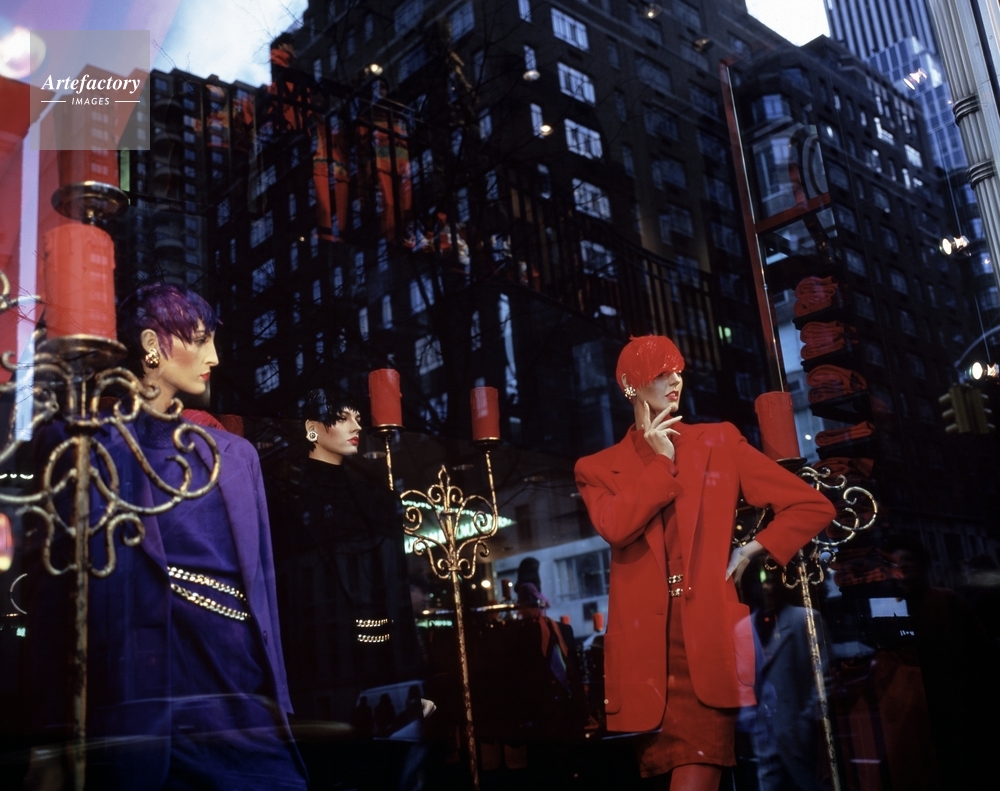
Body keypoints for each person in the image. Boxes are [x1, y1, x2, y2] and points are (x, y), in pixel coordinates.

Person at [24, 283, 306, 790]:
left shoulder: (235, 458)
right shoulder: (87, 446)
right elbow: (56, 600)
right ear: (152, 344)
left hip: (241, 703)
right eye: (200, 340)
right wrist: (48, 738)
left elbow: (263, 595)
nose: (214, 357)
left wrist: (280, 703)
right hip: (142, 708)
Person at [574, 335, 835, 790]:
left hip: (707, 645)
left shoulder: (718, 442)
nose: (674, 380)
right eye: (660, 373)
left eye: (677, 371)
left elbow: (812, 505)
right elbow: (616, 527)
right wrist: (661, 463)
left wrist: (750, 549)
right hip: (645, 660)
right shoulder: (597, 468)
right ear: (631, 386)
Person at [271, 388, 420, 790]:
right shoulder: (290, 495)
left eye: (357, 416)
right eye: (343, 417)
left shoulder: (367, 491)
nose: (357, 425)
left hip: (370, 662)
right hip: (316, 670)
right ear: (312, 428)